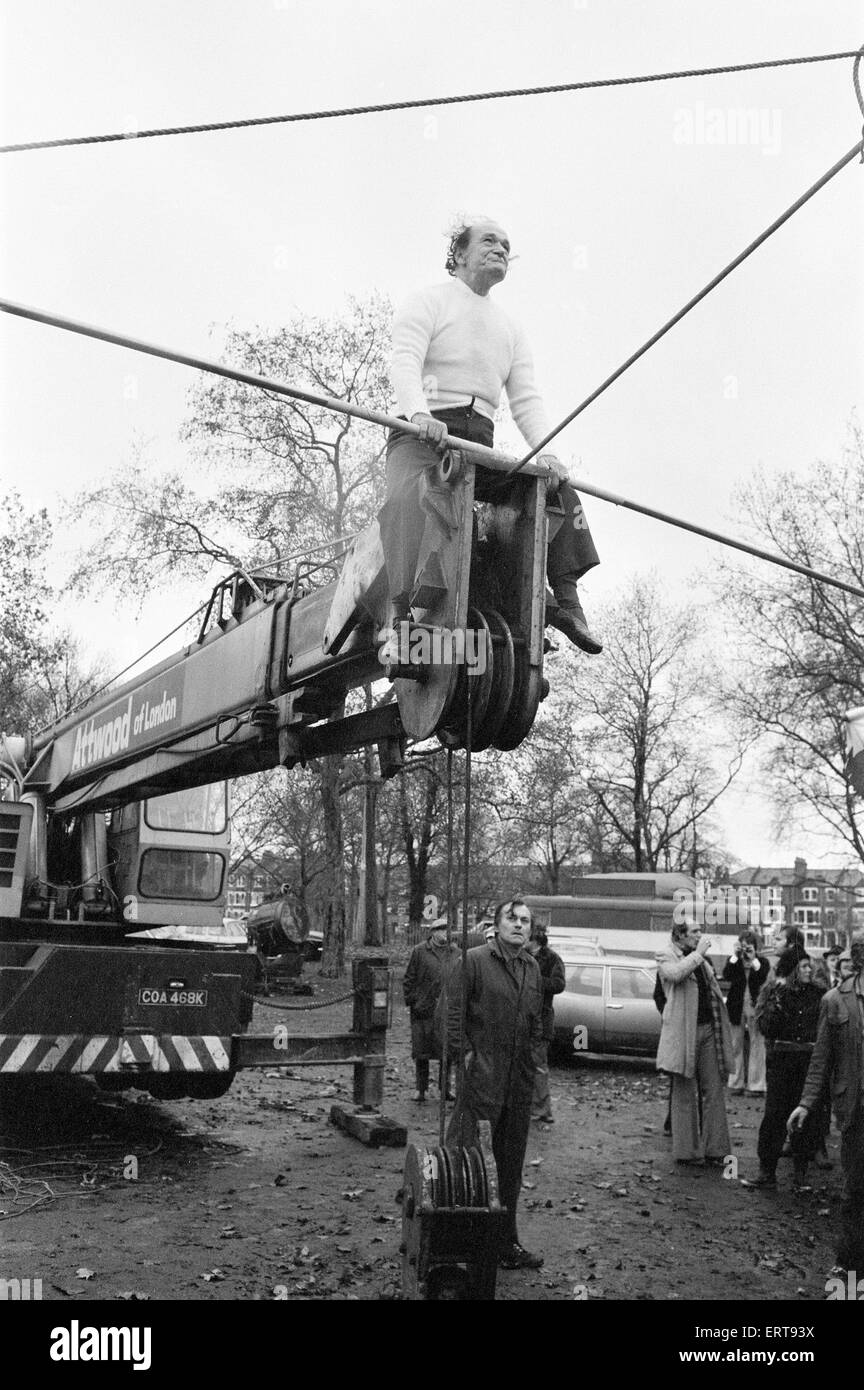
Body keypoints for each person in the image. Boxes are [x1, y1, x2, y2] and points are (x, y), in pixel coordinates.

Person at [382, 215, 602, 654]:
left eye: (506, 244)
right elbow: (403, 362)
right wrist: (420, 415)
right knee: (406, 498)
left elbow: (526, 401)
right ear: (459, 253)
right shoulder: (428, 301)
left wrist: (549, 455)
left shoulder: (510, 327)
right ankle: (400, 612)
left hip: (477, 446)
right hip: (420, 437)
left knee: (554, 490)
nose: (501, 248)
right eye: (488, 241)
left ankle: (563, 605)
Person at [446, 898, 543, 1269]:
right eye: (511, 919)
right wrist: (465, 1057)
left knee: (510, 1164)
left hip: (518, 1081)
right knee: (471, 1158)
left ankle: (505, 1243)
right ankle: (463, 1243)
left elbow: (537, 1018)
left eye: (525, 920)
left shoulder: (531, 967)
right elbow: (451, 1012)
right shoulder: (473, 961)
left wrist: (535, 1055)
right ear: (497, 924)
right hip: (482, 1077)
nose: (518, 925)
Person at [788, 929, 864, 1274]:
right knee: (854, 1188)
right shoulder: (834, 1001)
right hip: (855, 1109)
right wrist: (805, 1103)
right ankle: (849, 1264)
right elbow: (821, 1059)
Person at [656, 920, 734, 1165]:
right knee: (684, 1092)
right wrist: (699, 955)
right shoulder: (666, 955)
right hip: (684, 1033)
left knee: (714, 1089)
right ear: (680, 935)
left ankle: (716, 1150)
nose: (701, 935)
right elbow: (675, 974)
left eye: (700, 930)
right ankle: (686, 1152)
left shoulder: (702, 961)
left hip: (708, 1029)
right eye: (695, 931)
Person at [746, 949, 824, 1189]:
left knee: (805, 1118)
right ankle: (767, 1171)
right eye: (803, 966)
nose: (809, 970)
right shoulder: (775, 993)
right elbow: (767, 1028)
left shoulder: (820, 995)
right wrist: (775, 1004)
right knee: (775, 1115)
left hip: (808, 1061)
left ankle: (800, 1175)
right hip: (782, 1060)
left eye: (810, 966)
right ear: (792, 970)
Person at [403, 917, 459, 1102]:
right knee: (421, 1051)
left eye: (447, 929)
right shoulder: (420, 951)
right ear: (433, 932)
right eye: (441, 930)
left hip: (447, 1011)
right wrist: (414, 1001)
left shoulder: (455, 952)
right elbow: (409, 978)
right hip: (423, 1009)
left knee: (447, 1052)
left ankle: (445, 1089)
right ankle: (421, 1089)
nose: (445, 933)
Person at [525, 924, 565, 1124]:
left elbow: (559, 985)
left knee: (539, 1067)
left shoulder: (552, 959)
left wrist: (535, 980)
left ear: (536, 940)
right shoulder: (521, 955)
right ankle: (527, 1107)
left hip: (541, 1019)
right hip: (522, 1018)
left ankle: (542, 1110)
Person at [722, 930, 769, 1095]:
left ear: (755, 947)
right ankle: (736, 1082)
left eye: (748, 947)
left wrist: (753, 958)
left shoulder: (762, 962)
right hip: (737, 1007)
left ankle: (756, 1085)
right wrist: (735, 956)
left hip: (755, 1007)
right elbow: (726, 975)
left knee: (758, 1045)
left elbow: (763, 976)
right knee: (735, 1045)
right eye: (743, 947)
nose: (745, 951)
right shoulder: (734, 961)